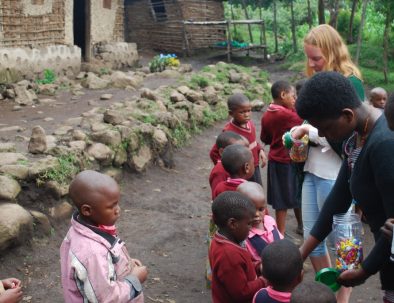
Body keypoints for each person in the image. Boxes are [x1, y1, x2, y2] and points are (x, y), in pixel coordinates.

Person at [296, 71, 394, 303]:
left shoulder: (384, 145)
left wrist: (364, 270)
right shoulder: (356, 138)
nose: (320, 134)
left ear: (347, 115)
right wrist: (301, 253)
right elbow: (339, 196)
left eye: (325, 128)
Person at [290, 24, 366, 303]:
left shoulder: (350, 83)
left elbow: (347, 137)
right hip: (313, 168)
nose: (311, 64)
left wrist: (308, 133)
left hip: (338, 174)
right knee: (314, 236)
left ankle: (343, 298)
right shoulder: (317, 82)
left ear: (333, 52)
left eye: (317, 58)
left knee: (346, 242)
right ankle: (327, 293)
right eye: (308, 57)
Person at [60, 170, 147, 303]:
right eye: (111, 206)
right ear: (87, 210)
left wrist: (124, 265)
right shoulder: (92, 252)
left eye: (117, 203)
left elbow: (103, 264)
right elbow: (107, 298)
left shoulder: (84, 229)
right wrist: (134, 280)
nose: (118, 209)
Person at [260, 80, 303, 235]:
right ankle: (281, 234)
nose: (295, 100)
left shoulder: (266, 115)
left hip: (275, 160)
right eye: (293, 96)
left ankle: (282, 232)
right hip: (286, 161)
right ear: (283, 95)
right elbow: (302, 121)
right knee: (288, 198)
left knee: (281, 199)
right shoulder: (286, 114)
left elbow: (264, 137)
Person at [209, 191, 266, 303]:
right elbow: (241, 293)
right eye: (248, 224)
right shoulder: (229, 255)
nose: (250, 228)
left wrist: (258, 267)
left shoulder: (223, 241)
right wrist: (264, 281)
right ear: (233, 224)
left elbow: (242, 269)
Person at [209, 93, 267, 185]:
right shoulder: (229, 131)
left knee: (256, 190)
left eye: (249, 110)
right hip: (241, 171)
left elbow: (253, 141)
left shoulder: (250, 124)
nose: (247, 115)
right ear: (231, 113)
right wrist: (228, 168)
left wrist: (260, 150)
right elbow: (214, 152)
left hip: (253, 166)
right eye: (242, 112)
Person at [237, 181, 283, 273]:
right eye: (251, 209)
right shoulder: (244, 235)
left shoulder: (270, 221)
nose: (257, 214)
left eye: (261, 209)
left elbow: (279, 239)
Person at [209, 131, 248, 198]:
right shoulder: (219, 172)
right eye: (237, 150)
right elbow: (217, 198)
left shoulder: (236, 164)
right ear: (222, 152)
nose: (243, 153)